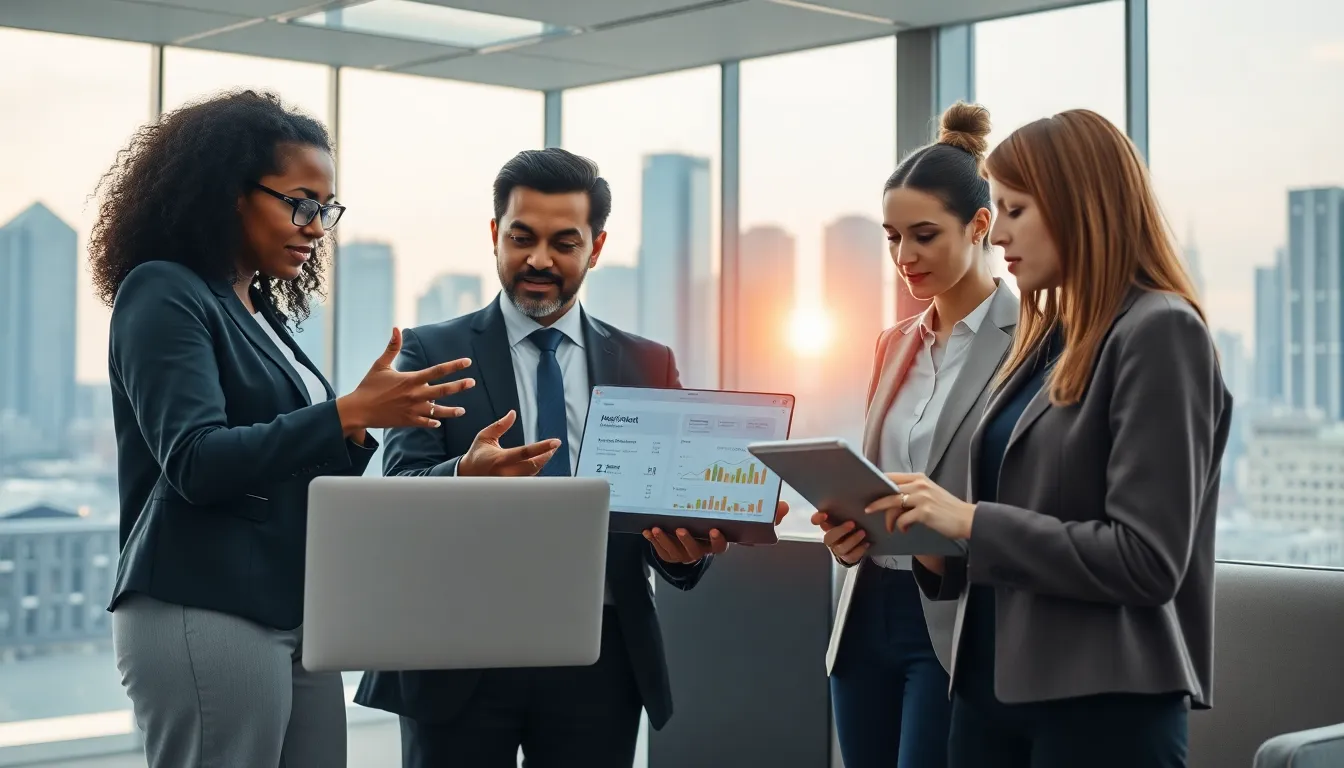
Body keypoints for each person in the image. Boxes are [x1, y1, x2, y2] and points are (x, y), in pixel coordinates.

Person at [354, 147, 788, 768]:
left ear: (597, 247)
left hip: (600, 657)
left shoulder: (647, 363)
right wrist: (461, 475)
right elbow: (397, 487)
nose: (539, 259)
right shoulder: (432, 350)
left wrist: (684, 549)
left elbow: (668, 513)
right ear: (494, 235)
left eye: (564, 242)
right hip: (459, 654)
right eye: (522, 237)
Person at [93, 90, 474, 768]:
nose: (316, 225)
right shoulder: (163, 290)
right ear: (227, 193)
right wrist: (346, 412)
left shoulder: (257, 309)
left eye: (324, 209)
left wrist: (417, 456)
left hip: (292, 609)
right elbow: (196, 461)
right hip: (203, 603)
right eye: (300, 202)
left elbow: (307, 474)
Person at [874, 109, 1231, 768]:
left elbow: (1146, 560)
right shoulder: (1047, 337)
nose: (997, 231)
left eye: (1014, 209)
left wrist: (970, 521)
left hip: (1101, 708)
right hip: (988, 696)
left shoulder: (1159, 332)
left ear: (1078, 207)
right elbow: (1018, 524)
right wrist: (925, 539)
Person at [813, 102, 1017, 768]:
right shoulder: (893, 343)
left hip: (955, 620)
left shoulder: (1034, 339)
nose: (904, 257)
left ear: (980, 224)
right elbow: (882, 474)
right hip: (866, 610)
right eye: (892, 237)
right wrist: (849, 530)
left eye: (924, 235)